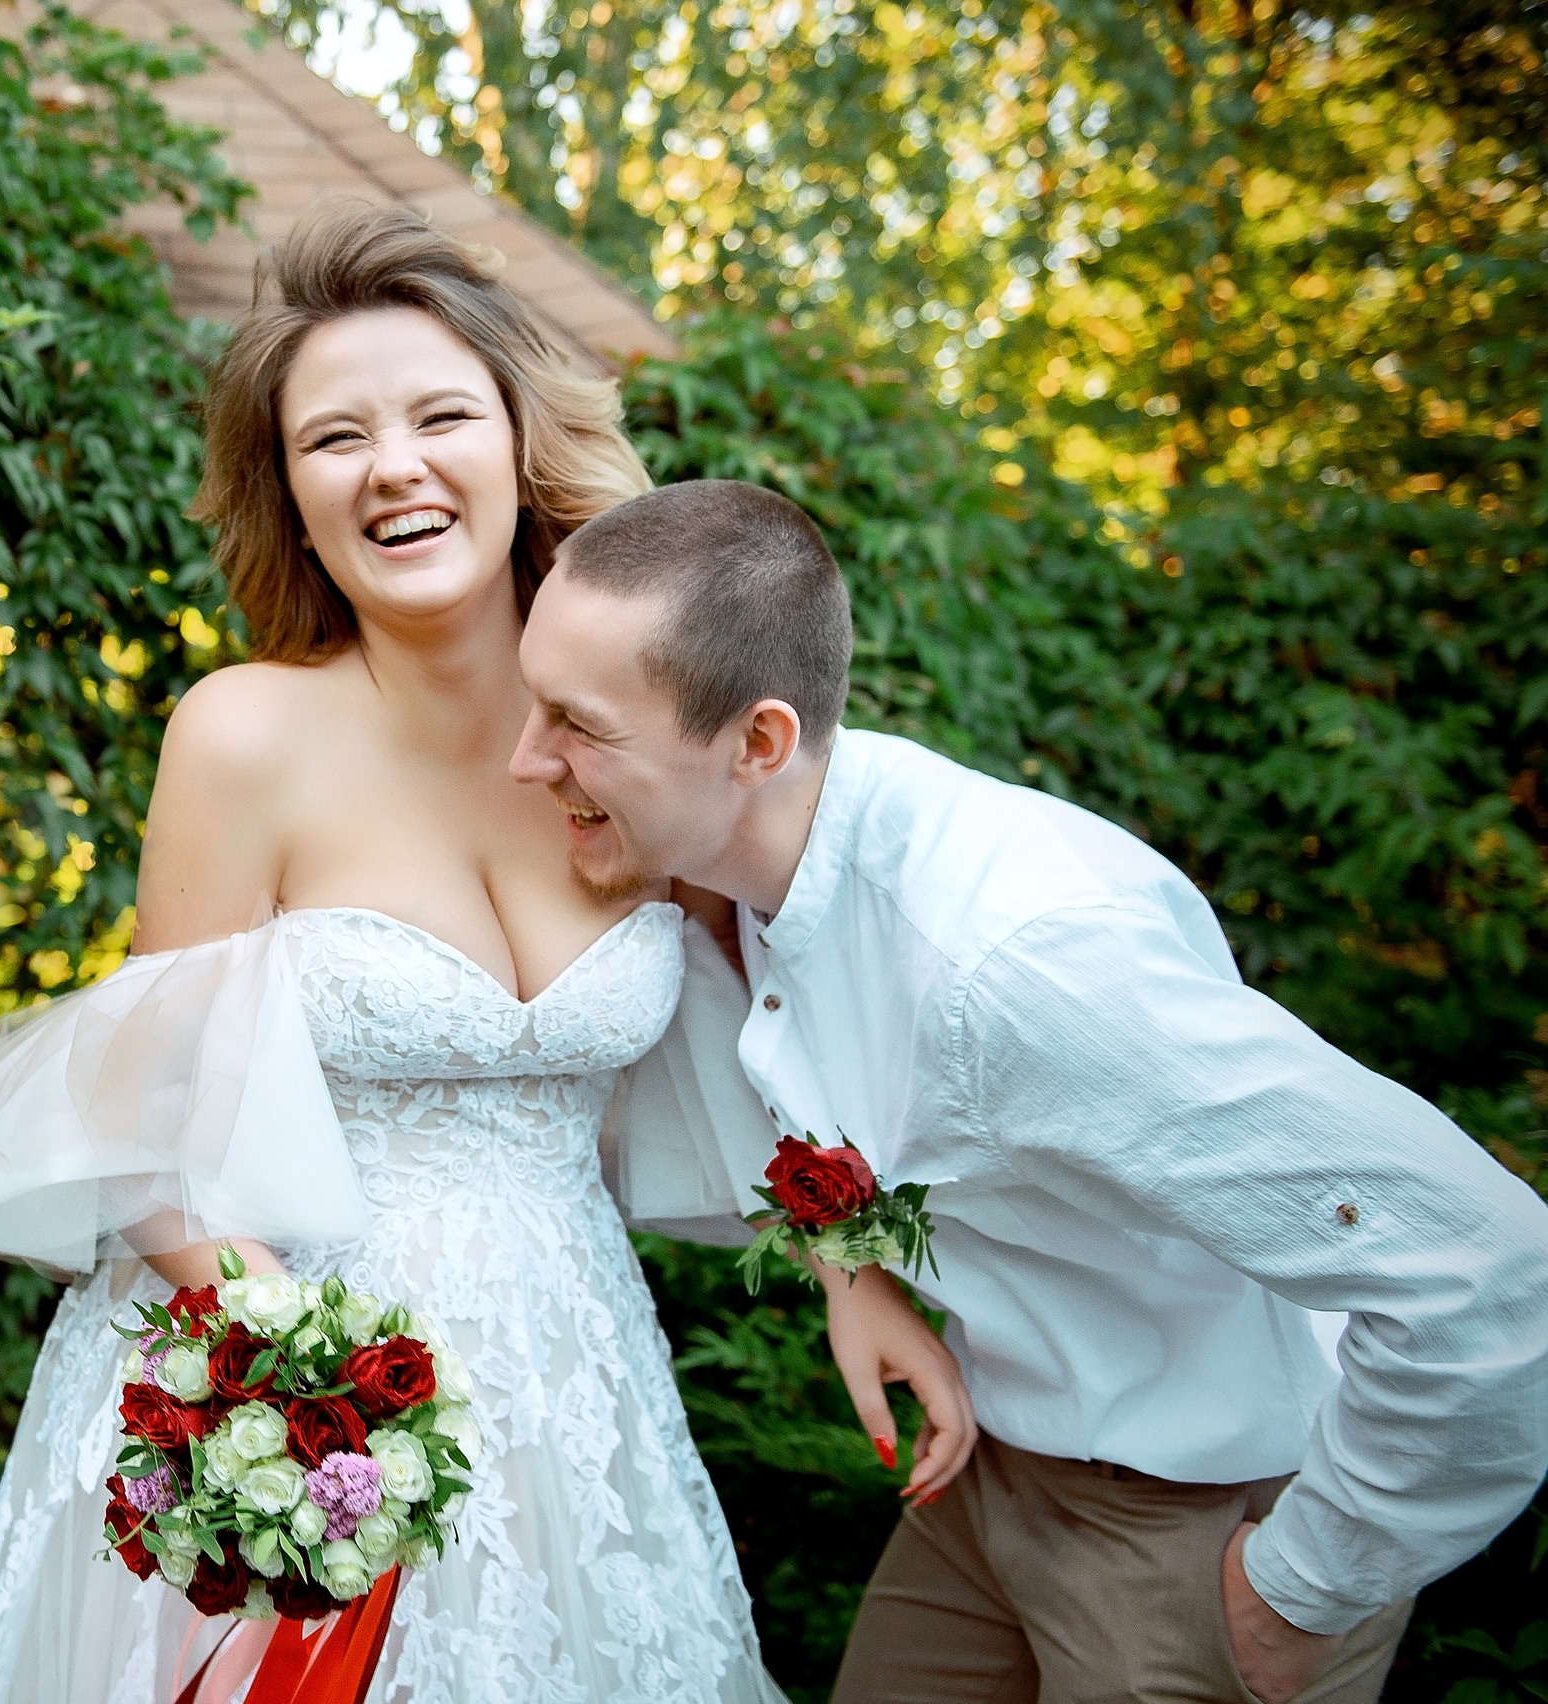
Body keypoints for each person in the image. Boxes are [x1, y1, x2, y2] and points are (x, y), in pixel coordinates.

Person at [0, 205, 928, 1703]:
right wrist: (310, 1408)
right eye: (333, 439)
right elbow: (153, 1133)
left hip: (571, 1383)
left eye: (442, 415)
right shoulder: (243, 736)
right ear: (291, 493)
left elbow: (785, 1001)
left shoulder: (647, 737)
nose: (394, 467)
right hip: (282, 1390)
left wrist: (852, 1267)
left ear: (518, 443)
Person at [511, 476, 1548, 1704]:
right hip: (987, 1478)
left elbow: (1490, 1271)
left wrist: (1301, 1593)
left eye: (578, 724)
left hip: (1192, 1526)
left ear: (758, 740)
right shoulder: (738, 866)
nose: (529, 760)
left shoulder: (1021, 965)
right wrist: (853, 1272)